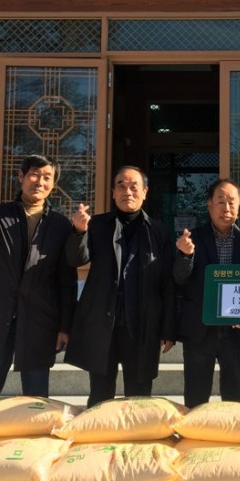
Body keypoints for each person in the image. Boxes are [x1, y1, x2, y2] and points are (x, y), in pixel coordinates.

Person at [0, 155, 77, 400]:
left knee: (36, 400)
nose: (40, 182)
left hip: (39, 320)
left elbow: (66, 281)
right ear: (21, 177)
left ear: (53, 184)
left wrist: (65, 326)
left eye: (47, 177)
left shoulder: (60, 225)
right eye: (34, 174)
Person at [65, 165, 175, 408]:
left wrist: (168, 330)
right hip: (104, 324)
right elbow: (76, 259)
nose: (128, 192)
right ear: (113, 192)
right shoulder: (98, 225)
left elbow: (167, 284)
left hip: (143, 325)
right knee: (100, 395)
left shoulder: (159, 232)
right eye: (121, 186)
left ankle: (136, 442)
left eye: (134, 186)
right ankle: (98, 443)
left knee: (138, 397)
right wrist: (78, 231)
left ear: (145, 192)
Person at [174, 178, 240, 408]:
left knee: (233, 396)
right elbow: (179, 279)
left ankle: (233, 440)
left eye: (232, 202)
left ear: (239, 206)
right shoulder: (190, 239)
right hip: (199, 328)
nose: (227, 208)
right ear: (209, 205)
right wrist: (185, 256)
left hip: (236, 331)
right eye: (221, 201)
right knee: (195, 395)